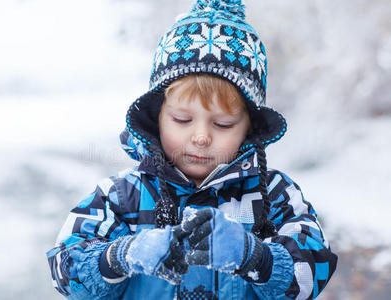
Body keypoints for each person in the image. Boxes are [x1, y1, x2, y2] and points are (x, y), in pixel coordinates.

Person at [46, 1, 338, 299]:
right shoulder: (122, 196)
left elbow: (312, 273)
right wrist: (120, 255)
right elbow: (65, 272)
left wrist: (255, 256)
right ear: (157, 117)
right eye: (182, 120)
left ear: (248, 129)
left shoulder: (272, 195)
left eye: (223, 124)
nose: (201, 137)